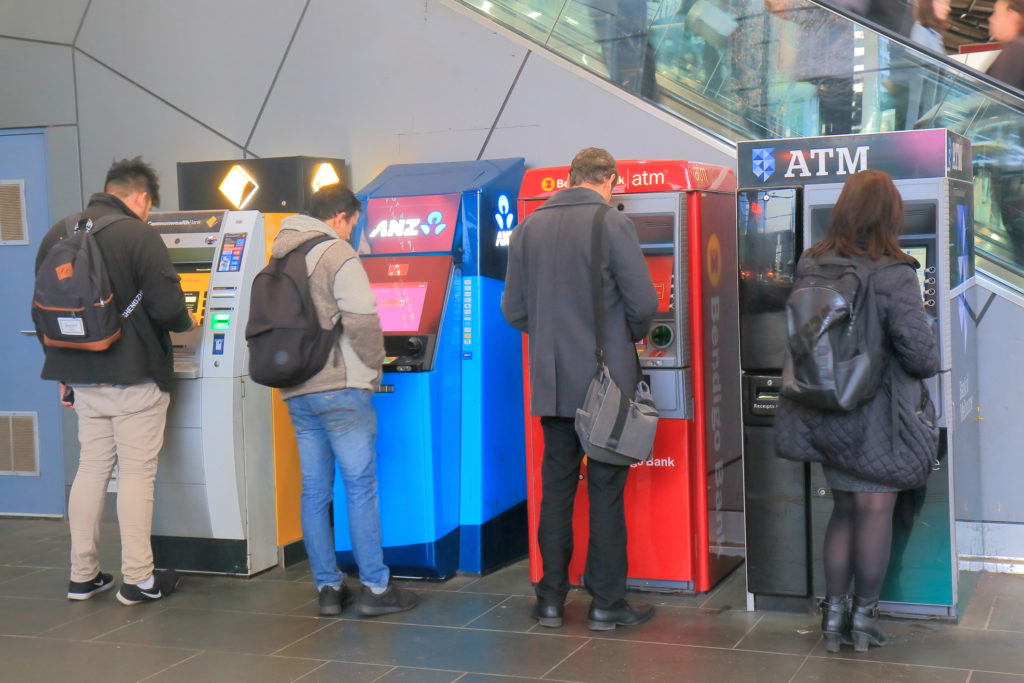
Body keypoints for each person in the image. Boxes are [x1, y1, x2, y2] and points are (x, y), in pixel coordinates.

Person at [774, 170, 939, 653]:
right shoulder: (895, 272)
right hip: (878, 415)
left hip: (825, 407)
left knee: (844, 508)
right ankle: (863, 620)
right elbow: (921, 356)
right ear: (891, 215)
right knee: (875, 510)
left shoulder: (812, 262)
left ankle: (832, 619)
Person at [502, 147, 658, 631]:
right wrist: (620, 336)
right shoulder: (612, 224)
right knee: (606, 493)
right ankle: (606, 604)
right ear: (610, 179)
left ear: (569, 179)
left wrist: (551, 336)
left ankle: (549, 599)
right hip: (604, 382)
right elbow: (644, 303)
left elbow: (514, 310)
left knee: (556, 490)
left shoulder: (529, 228)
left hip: (552, 383)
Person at [36, 157, 194, 605]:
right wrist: (190, 319)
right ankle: (139, 579)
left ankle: (82, 576)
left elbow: (42, 310)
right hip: (134, 375)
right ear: (141, 198)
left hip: (81, 375)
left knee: (91, 469)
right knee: (136, 475)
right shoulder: (139, 235)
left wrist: (63, 373)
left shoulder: (59, 232)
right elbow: (168, 309)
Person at [274, 183, 418, 618]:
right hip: (339, 386)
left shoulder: (280, 253)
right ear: (341, 217)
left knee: (315, 488)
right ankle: (375, 588)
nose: (355, 231)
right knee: (358, 486)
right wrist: (374, 368)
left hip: (296, 387)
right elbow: (362, 320)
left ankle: (328, 589)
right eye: (354, 223)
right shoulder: (337, 254)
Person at [987, 0, 1024, 91]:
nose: (991, 19)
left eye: (996, 13)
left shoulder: (1017, 49)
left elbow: (999, 95)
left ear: (1011, 16)